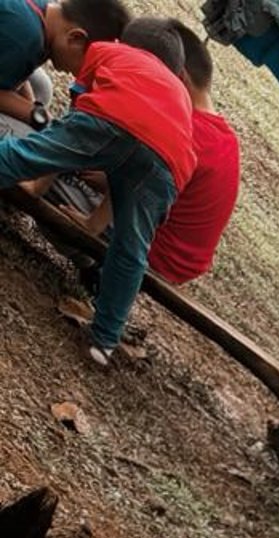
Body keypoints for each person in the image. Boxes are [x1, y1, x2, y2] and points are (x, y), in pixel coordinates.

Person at [0, 2, 192, 362]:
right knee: (131, 249)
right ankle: (104, 340)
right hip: (170, 162)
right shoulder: (177, 92)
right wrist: (92, 224)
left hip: (111, 119)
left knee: (27, 154)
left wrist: (37, 188)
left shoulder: (111, 53)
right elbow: (132, 164)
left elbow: (65, 137)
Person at [144, 18, 236, 285]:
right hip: (182, 261)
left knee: (54, 174)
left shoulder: (185, 129)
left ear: (179, 77)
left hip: (155, 254)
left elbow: (135, 189)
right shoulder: (223, 135)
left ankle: (95, 268)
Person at [0, 0, 125, 121]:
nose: (77, 75)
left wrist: (33, 106)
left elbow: (19, 69)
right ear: (76, 38)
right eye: (86, 66)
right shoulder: (25, 38)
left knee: (42, 88)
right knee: (23, 130)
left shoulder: (47, 16)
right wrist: (37, 116)